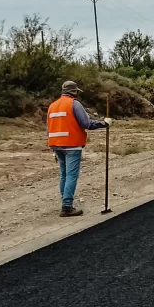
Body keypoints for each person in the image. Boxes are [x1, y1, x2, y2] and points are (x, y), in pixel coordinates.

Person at [47, 81, 110, 217]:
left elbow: (50, 127)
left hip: (56, 145)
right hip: (72, 145)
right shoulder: (74, 104)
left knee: (64, 174)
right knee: (71, 175)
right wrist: (104, 123)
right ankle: (67, 206)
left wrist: (54, 147)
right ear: (74, 91)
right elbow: (86, 123)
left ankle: (65, 201)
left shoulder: (52, 106)